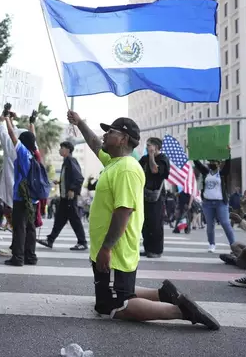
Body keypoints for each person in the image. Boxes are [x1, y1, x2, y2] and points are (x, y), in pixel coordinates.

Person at [68, 110, 219, 330]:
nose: (104, 136)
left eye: (110, 132)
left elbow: (124, 212)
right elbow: (93, 143)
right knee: (111, 294)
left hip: (115, 251)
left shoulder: (127, 169)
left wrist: (106, 248)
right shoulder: (114, 162)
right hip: (111, 250)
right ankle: (163, 294)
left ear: (123, 138)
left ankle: (181, 311)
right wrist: (80, 122)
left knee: (112, 305)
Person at [3, 114, 40, 267]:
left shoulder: (23, 153)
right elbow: (33, 138)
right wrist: (32, 123)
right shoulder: (34, 153)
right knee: (30, 228)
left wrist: (6, 118)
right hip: (33, 198)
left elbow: (12, 135)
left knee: (19, 228)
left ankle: (18, 258)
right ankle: (30, 257)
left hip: (21, 197)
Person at [37, 140, 87, 251]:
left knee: (75, 220)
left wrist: (72, 189)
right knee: (59, 219)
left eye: (62, 148)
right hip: (64, 197)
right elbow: (70, 177)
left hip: (69, 197)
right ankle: (50, 240)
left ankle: (82, 242)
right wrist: (60, 182)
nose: (60, 150)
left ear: (67, 150)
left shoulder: (70, 160)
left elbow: (79, 177)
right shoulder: (66, 161)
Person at [194, 154, 236, 252]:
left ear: (219, 163)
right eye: (210, 162)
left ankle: (233, 245)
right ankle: (212, 244)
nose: (212, 164)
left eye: (214, 162)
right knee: (210, 225)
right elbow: (197, 164)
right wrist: (192, 151)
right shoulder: (206, 172)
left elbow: (228, 166)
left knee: (225, 223)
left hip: (221, 202)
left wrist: (228, 154)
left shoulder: (222, 173)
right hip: (207, 203)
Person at [139, 137, 170, 258]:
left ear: (156, 147)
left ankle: (156, 251)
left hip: (157, 196)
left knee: (155, 223)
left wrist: (151, 155)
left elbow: (154, 170)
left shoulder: (163, 159)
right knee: (145, 223)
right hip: (144, 194)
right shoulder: (144, 159)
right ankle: (148, 249)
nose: (147, 147)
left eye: (149, 145)